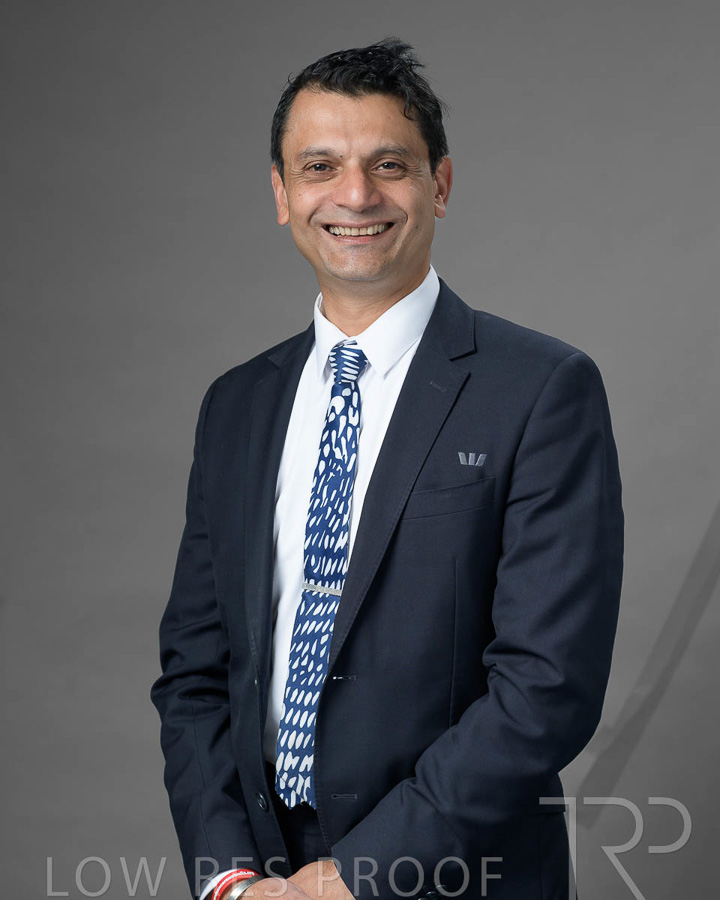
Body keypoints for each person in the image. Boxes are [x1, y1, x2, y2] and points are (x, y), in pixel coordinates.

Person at [151, 38, 623, 900]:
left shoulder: (541, 389)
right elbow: (194, 672)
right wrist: (231, 878)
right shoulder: (237, 406)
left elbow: (547, 687)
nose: (356, 195)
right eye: (320, 167)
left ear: (440, 184)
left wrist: (357, 876)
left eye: (389, 164)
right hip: (263, 871)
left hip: (459, 872)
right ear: (282, 194)